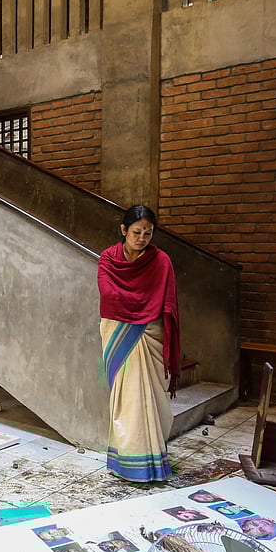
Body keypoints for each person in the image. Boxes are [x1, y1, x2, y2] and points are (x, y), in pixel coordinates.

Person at [98, 205, 181, 482]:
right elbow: (109, 295)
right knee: (127, 398)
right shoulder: (108, 259)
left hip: (149, 334)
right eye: (136, 232)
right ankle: (127, 460)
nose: (142, 237)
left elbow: (166, 302)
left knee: (151, 398)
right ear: (123, 230)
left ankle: (152, 460)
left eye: (148, 233)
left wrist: (142, 309)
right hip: (120, 332)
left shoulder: (161, 261)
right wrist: (142, 305)